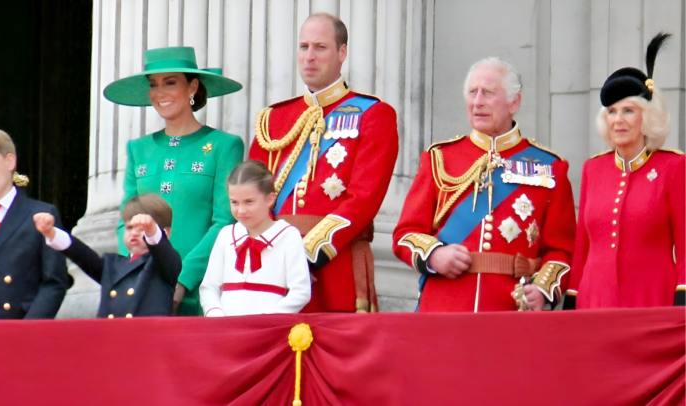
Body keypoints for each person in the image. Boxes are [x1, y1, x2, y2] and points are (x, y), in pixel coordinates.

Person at [392, 58, 576, 312]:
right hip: (443, 309)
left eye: (488, 93)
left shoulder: (550, 167)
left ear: (514, 102)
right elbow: (405, 234)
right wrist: (433, 255)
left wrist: (543, 290)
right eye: (472, 92)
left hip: (510, 310)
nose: (477, 102)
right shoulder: (439, 158)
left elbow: (562, 250)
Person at [248, 13, 399, 313]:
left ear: (342, 53)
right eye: (303, 47)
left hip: (334, 263)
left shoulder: (373, 114)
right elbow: (251, 192)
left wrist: (306, 252)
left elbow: (364, 198)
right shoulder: (274, 119)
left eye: (320, 47)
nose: (309, 57)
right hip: (272, 263)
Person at [103, 46, 244, 316]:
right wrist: (133, 271)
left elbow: (225, 221)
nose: (160, 93)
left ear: (192, 87)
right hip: (144, 287)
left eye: (170, 82)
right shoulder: (138, 148)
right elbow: (126, 220)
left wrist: (182, 280)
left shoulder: (224, 146)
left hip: (201, 289)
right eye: (154, 85)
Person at [564, 33, 684, 309]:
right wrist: (572, 299)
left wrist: (682, 299)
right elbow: (583, 246)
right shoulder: (593, 169)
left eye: (628, 111)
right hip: (594, 303)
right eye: (612, 111)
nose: (618, 120)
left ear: (647, 116)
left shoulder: (673, 167)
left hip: (653, 301)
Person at [34, 194, 182, 318]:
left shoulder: (164, 264)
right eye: (129, 227)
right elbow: (82, 255)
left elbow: (163, 252)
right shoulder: (112, 264)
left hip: (148, 344)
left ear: (165, 233)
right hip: (111, 340)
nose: (134, 232)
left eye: (141, 228)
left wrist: (152, 230)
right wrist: (52, 233)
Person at [199, 161, 311, 316]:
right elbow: (209, 287)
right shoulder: (226, 234)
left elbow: (301, 292)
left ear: (270, 199)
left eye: (249, 202)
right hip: (225, 329)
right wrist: (215, 315)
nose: (241, 210)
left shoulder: (288, 236)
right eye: (234, 202)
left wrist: (266, 320)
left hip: (269, 330)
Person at [0, 127, 72, 319]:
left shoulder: (42, 214)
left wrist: (28, 331)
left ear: (9, 161)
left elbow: (55, 281)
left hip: (17, 333)